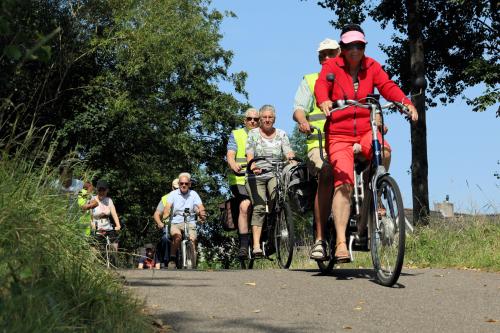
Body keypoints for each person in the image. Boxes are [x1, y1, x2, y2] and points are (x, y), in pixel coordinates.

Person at [314, 24, 418, 262]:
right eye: (350, 46)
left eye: (359, 46)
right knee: (344, 184)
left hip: (365, 129)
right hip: (339, 133)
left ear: (364, 47)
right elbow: (322, 86)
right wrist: (324, 101)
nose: (354, 50)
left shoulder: (372, 66)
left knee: (386, 150)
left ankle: (377, 188)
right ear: (342, 48)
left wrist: (405, 102)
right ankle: (341, 242)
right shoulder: (331, 66)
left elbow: (387, 86)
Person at [293, 38, 340, 260]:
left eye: (331, 53)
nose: (327, 58)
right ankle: (320, 239)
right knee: (327, 172)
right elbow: (299, 109)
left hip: (345, 140)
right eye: (323, 55)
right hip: (318, 142)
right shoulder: (310, 80)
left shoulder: (349, 80)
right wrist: (303, 122)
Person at [245, 105, 295, 256]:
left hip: (275, 173)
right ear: (260, 119)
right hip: (257, 175)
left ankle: (273, 233)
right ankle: (256, 246)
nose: (267, 120)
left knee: (277, 202)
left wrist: (292, 161)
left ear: (274, 119)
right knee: (259, 207)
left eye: (270, 117)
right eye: (264, 117)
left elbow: (288, 151)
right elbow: (250, 153)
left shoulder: (281, 134)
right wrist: (252, 165)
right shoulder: (253, 134)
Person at [226, 107, 260, 259]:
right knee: (245, 206)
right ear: (244, 121)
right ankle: (244, 246)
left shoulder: (264, 134)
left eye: (256, 119)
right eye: (249, 119)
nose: (252, 121)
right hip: (240, 178)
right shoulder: (236, 134)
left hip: (259, 178)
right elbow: (231, 154)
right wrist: (233, 164)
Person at [161, 172, 207, 269]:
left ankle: (193, 258)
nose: (184, 185)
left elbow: (200, 206)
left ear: (189, 184)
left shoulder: (194, 194)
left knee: (193, 239)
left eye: (186, 183)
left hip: (189, 221)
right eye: (181, 183)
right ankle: (172, 259)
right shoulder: (173, 194)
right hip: (175, 222)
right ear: (179, 184)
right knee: (177, 237)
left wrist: (202, 214)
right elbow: (167, 207)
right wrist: (166, 214)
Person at [91, 179, 122, 263]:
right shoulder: (92, 199)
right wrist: (91, 224)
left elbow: (114, 214)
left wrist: (118, 225)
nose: (101, 192)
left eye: (103, 190)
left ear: (107, 190)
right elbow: (89, 215)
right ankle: (94, 264)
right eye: (100, 190)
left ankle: (114, 263)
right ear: (97, 190)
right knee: (95, 247)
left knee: (114, 243)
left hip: (107, 226)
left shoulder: (109, 200)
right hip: (96, 226)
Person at [153, 178, 179, 268]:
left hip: (183, 224)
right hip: (168, 225)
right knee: (165, 238)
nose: (177, 190)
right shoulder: (165, 198)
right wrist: (159, 222)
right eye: (176, 188)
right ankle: (167, 260)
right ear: (172, 188)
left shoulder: (187, 197)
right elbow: (156, 214)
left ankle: (191, 259)